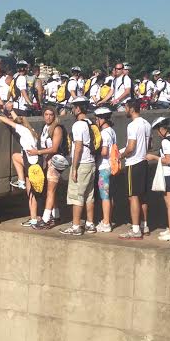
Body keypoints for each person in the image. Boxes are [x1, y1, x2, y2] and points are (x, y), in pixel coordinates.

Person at [0, 110, 42, 227]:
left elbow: (10, 122)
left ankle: (20, 181)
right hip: (35, 163)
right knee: (31, 193)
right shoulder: (31, 131)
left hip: (30, 163)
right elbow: (18, 120)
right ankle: (33, 219)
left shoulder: (23, 130)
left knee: (15, 157)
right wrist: (12, 112)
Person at [60, 97, 97, 236]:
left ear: (78, 108)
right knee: (89, 195)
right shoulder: (89, 123)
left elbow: (78, 147)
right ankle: (90, 223)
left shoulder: (78, 125)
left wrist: (74, 167)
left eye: (74, 107)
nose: (72, 109)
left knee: (77, 195)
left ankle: (76, 226)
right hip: (91, 162)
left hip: (82, 163)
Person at [26, 106, 66, 229]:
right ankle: (56, 215)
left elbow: (54, 149)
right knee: (50, 191)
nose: (48, 117)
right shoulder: (45, 128)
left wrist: (37, 152)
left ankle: (45, 219)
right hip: (47, 162)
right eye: (46, 114)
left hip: (55, 163)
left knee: (50, 191)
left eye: (51, 115)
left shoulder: (57, 129)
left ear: (55, 116)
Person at [119, 99, 152, 239]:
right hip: (143, 162)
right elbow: (149, 144)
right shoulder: (147, 124)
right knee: (142, 196)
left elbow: (131, 147)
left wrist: (120, 155)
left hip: (133, 163)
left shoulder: (132, 125)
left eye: (126, 107)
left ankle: (135, 229)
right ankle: (145, 226)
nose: (125, 110)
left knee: (133, 197)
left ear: (131, 109)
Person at [148, 116, 170, 242]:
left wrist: (153, 157)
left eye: (157, 130)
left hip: (168, 174)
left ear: (161, 129)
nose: (157, 134)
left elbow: (168, 160)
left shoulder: (166, 141)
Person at [94, 106, 117, 232]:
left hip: (104, 167)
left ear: (102, 119)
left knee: (105, 196)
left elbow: (104, 152)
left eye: (97, 118)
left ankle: (106, 222)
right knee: (109, 195)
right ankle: (107, 219)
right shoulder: (112, 131)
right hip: (111, 167)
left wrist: (94, 152)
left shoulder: (104, 133)